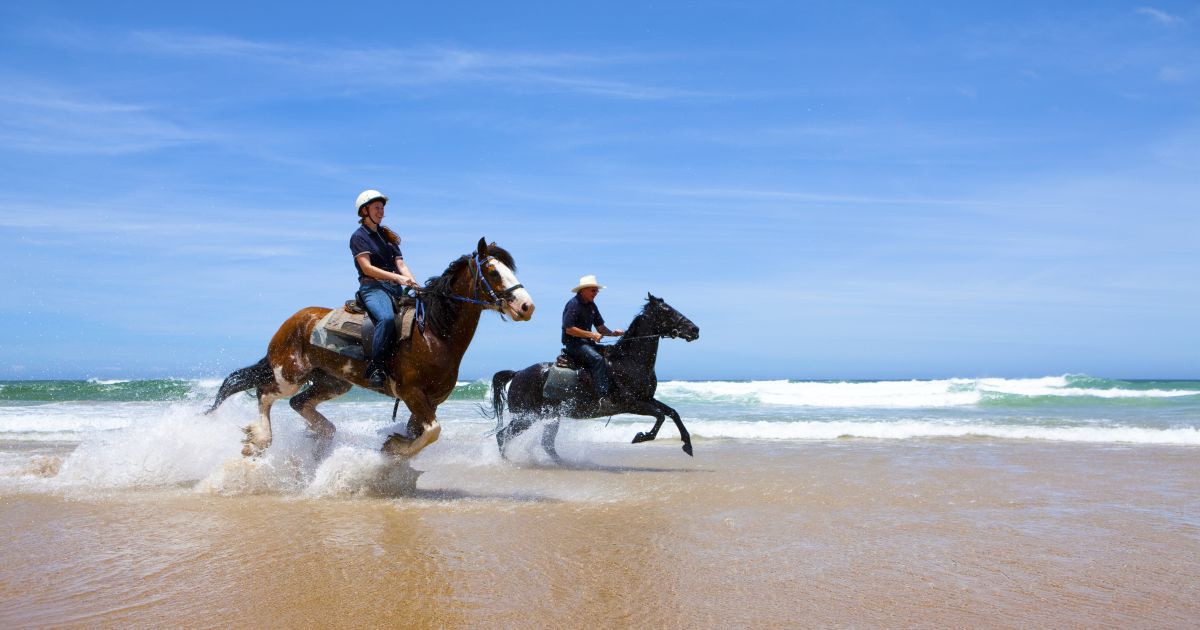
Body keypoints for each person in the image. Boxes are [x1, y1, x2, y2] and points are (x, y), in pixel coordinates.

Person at [349, 189, 419, 388]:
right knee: (387, 319)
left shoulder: (388, 236)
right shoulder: (359, 237)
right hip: (372, 288)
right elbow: (367, 268)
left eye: (382, 208)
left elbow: (401, 265)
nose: (381, 212)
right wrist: (398, 278)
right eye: (376, 208)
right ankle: (376, 367)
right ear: (364, 211)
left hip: (395, 288)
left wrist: (414, 283)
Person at [562, 275, 624, 407]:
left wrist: (613, 333)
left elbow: (600, 327)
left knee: (611, 356)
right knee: (598, 359)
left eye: (596, 290)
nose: (596, 293)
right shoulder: (573, 304)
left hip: (587, 343)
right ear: (583, 290)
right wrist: (591, 335)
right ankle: (602, 397)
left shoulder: (592, 306)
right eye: (593, 290)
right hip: (573, 344)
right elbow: (569, 329)